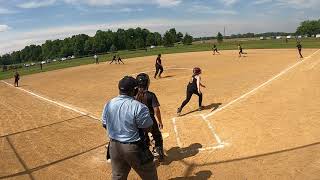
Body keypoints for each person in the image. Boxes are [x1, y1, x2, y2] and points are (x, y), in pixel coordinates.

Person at [102, 76, 158, 180]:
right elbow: (148, 128)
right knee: (149, 174)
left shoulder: (109, 104)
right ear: (135, 90)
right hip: (133, 147)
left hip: (114, 146)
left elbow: (104, 124)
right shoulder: (138, 106)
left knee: (118, 176)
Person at [135, 73, 164, 162]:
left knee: (144, 138)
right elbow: (156, 109)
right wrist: (160, 121)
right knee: (157, 136)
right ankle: (160, 154)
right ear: (147, 83)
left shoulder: (134, 95)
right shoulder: (151, 95)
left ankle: (146, 156)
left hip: (138, 121)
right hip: (150, 120)